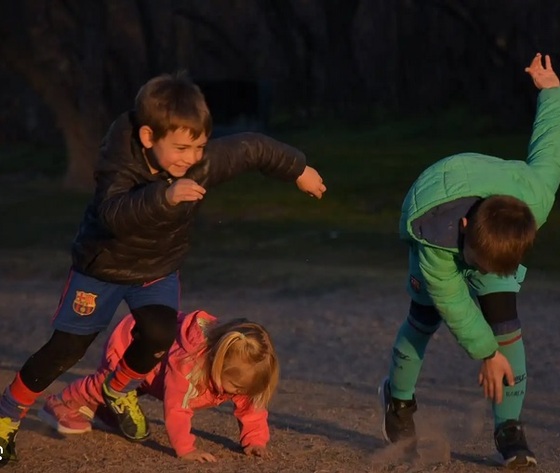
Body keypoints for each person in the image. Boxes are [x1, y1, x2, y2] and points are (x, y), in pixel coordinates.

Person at [0, 71, 326, 463]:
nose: (191, 159)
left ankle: (118, 392)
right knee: (64, 350)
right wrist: (165, 196)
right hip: (101, 267)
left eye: (200, 147)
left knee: (159, 333)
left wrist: (299, 170)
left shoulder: (197, 161)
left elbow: (252, 148)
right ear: (148, 138)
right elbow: (113, 214)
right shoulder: (116, 165)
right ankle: (6, 418)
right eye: (182, 148)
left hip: (156, 268)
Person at [379, 53, 560, 469]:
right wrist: (485, 353)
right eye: (479, 264)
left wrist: (552, 92)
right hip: (436, 219)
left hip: (488, 217)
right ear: (466, 227)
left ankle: (509, 427)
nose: (481, 274)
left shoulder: (535, 198)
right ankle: (398, 401)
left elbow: (551, 147)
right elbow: (454, 303)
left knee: (506, 324)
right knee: (424, 318)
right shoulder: (435, 234)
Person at [39, 309, 278, 462]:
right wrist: (186, 449)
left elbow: (251, 406)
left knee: (134, 387)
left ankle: (106, 410)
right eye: (236, 386)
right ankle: (61, 403)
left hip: (156, 372)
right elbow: (177, 408)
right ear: (217, 364)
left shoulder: (238, 371)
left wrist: (255, 440)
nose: (238, 393)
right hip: (134, 342)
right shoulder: (188, 366)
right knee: (110, 382)